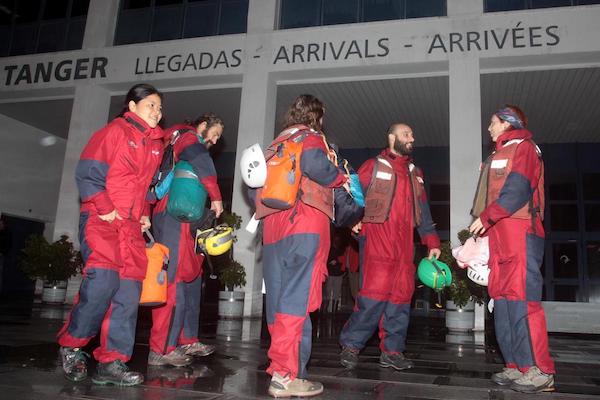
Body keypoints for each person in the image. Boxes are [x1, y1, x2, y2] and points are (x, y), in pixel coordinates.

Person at [57, 83, 165, 386]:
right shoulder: (114, 132)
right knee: (102, 282)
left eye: (159, 107)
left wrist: (144, 212)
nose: (157, 112)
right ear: (132, 107)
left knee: (128, 295)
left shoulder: (155, 146)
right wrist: (103, 206)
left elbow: (144, 188)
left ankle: (112, 361)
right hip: (102, 220)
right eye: (151, 105)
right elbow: (88, 171)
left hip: (130, 228)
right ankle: (73, 346)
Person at [257, 94, 346, 397]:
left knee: (279, 301)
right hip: (305, 223)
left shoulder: (275, 143)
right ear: (316, 116)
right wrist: (340, 177)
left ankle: (288, 368)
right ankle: (285, 375)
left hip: (272, 227)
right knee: (298, 300)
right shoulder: (311, 138)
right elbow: (316, 167)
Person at [339, 123, 441, 371]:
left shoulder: (415, 173)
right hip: (377, 241)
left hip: (405, 247)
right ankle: (351, 345)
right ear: (392, 137)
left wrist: (432, 240)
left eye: (412, 134)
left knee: (401, 298)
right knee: (373, 296)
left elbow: (424, 211)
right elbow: (351, 193)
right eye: (407, 134)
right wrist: (351, 221)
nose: (412, 138)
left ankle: (392, 351)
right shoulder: (372, 166)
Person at [469, 105, 555, 393]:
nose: (489, 128)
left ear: (508, 123)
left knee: (523, 301)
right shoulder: (495, 155)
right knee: (503, 302)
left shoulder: (525, 148)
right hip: (499, 239)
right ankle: (516, 365)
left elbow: (518, 188)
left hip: (521, 233)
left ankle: (540, 370)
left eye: (493, 123)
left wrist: (486, 217)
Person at [148, 112, 224, 367]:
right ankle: (162, 348)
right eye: (213, 134)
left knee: (191, 278)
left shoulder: (180, 141)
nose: (213, 141)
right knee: (174, 281)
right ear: (202, 125)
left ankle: (187, 339)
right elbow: (201, 159)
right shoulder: (188, 137)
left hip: (185, 217)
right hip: (172, 216)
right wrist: (215, 195)